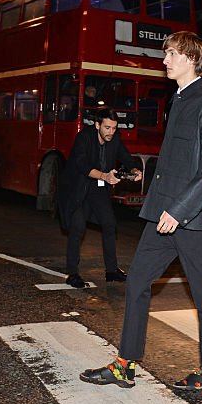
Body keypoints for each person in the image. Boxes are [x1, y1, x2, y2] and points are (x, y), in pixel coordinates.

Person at [80, 31, 202, 391]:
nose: (165, 60)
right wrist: (162, 206)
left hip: (189, 219)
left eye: (172, 54)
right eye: (166, 54)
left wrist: (179, 212)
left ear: (192, 59)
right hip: (165, 214)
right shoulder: (179, 100)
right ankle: (125, 364)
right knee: (136, 280)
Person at [57, 108, 143, 288]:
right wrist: (105, 176)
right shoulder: (84, 138)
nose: (111, 132)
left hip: (98, 188)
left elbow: (126, 158)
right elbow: (82, 165)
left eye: (113, 128)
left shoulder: (115, 139)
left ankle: (111, 271)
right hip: (78, 188)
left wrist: (135, 171)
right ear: (97, 125)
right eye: (107, 128)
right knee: (77, 227)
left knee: (110, 224)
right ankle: (73, 273)